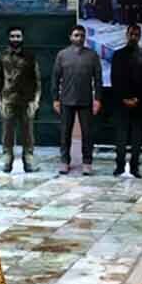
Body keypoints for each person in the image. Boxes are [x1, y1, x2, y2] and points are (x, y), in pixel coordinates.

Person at [52, 25, 103, 175]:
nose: (79, 38)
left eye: (82, 35)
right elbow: (55, 78)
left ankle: (87, 162)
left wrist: (97, 99)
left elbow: (98, 79)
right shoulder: (62, 55)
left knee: (87, 134)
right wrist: (55, 99)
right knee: (65, 133)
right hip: (66, 100)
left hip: (86, 101)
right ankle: (64, 161)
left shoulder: (92, 55)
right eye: (76, 35)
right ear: (70, 37)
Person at [0, 26, 41, 173]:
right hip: (8, 100)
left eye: (18, 36)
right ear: (9, 38)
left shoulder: (30, 57)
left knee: (28, 133)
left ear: (22, 38)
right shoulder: (2, 57)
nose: (15, 39)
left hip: (27, 101)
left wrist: (36, 101)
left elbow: (37, 81)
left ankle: (29, 160)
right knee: (7, 132)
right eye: (13, 36)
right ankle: (7, 159)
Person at [111, 24, 142, 177]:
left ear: (140, 36)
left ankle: (135, 167)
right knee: (121, 137)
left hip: (139, 103)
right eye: (131, 34)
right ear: (126, 35)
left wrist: (137, 99)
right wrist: (124, 98)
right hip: (121, 103)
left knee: (136, 138)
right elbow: (115, 79)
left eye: (136, 34)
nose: (133, 37)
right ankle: (120, 166)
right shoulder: (117, 55)